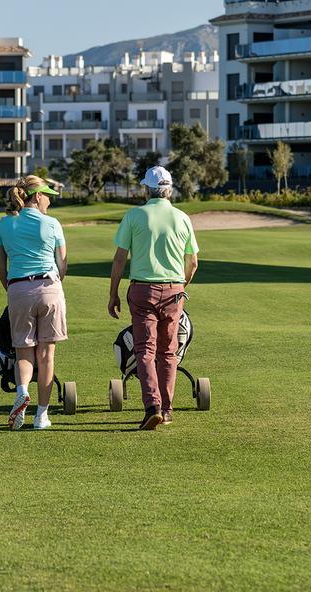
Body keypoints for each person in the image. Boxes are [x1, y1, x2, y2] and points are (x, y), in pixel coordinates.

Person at [108, 166, 198, 430]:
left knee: (144, 350)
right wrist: (181, 285)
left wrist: (113, 293)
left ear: (146, 189)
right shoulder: (182, 217)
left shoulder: (134, 215)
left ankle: (152, 406)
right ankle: (167, 410)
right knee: (168, 352)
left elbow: (119, 259)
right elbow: (192, 262)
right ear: (169, 190)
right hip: (173, 290)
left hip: (142, 290)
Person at [0, 175, 68, 431]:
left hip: (18, 289)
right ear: (37, 196)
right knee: (46, 354)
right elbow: (63, 264)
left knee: (24, 351)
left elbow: (0, 267)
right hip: (49, 288)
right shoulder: (52, 224)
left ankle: (22, 391)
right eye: (47, 195)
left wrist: (13, 289)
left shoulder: (4, 225)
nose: (49, 201)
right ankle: (42, 416)